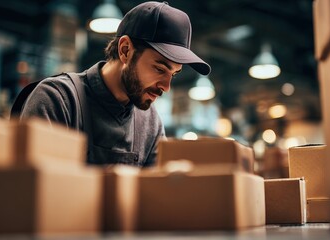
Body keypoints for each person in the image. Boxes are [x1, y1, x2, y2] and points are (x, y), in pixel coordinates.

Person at [18, 1, 210, 167]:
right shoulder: (58, 100)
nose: (166, 87)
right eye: (160, 69)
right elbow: (32, 194)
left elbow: (156, 197)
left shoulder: (150, 124)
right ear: (125, 50)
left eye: (173, 74)